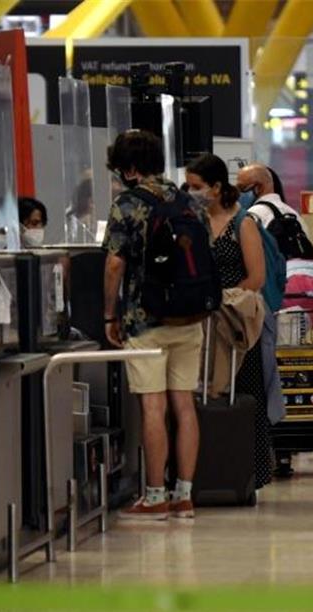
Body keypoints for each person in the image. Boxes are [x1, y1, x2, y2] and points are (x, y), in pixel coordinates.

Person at [102, 130, 208, 521]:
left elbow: (115, 264)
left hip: (144, 320)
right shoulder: (190, 202)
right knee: (184, 404)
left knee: (153, 405)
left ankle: (154, 494)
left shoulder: (127, 204)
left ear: (129, 169)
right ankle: (185, 495)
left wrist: (109, 314)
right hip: (190, 316)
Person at [185, 152, 274, 492]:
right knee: (204, 394)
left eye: (198, 187)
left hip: (235, 324)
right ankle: (209, 470)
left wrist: (221, 299)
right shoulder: (194, 219)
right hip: (201, 322)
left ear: (217, 187)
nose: (192, 192)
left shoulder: (244, 223)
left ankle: (249, 472)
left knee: (245, 392)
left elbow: (256, 277)